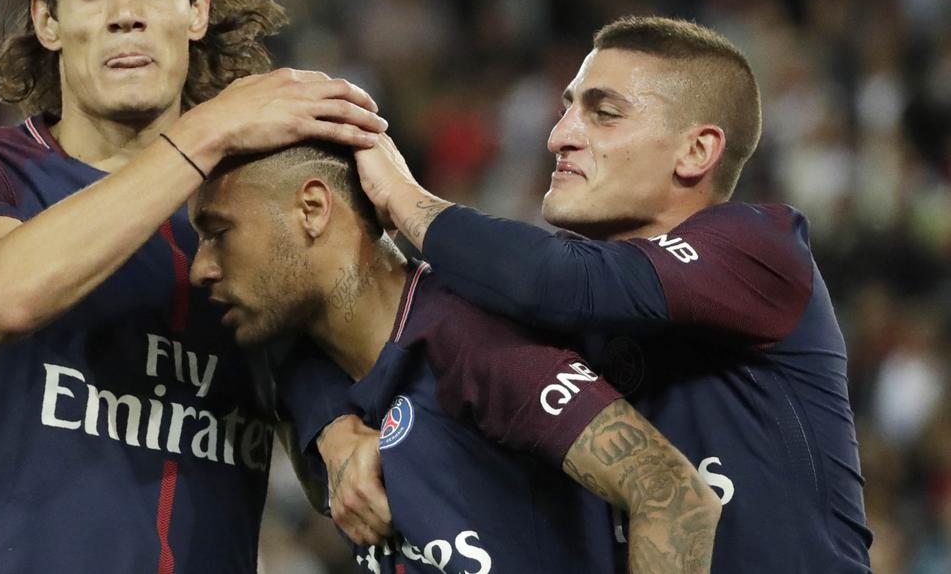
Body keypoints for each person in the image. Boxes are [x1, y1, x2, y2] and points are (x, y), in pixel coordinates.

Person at [0, 0, 386, 571]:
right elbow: (5, 294)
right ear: (46, 20)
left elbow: (318, 383)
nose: (125, 12)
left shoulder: (253, 204)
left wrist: (332, 428)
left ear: (197, 9)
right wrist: (209, 129)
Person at [353, 15, 873, 571]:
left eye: (603, 113)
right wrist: (333, 429)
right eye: (567, 109)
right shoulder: (565, 295)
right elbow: (400, 326)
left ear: (696, 151)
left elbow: (553, 279)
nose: (558, 136)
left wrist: (403, 198)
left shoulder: (762, 250)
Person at [188, 142, 723, 573]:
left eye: (218, 233)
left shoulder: (471, 339)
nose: (200, 268)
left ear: (312, 209)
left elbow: (673, 496)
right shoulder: (315, 386)